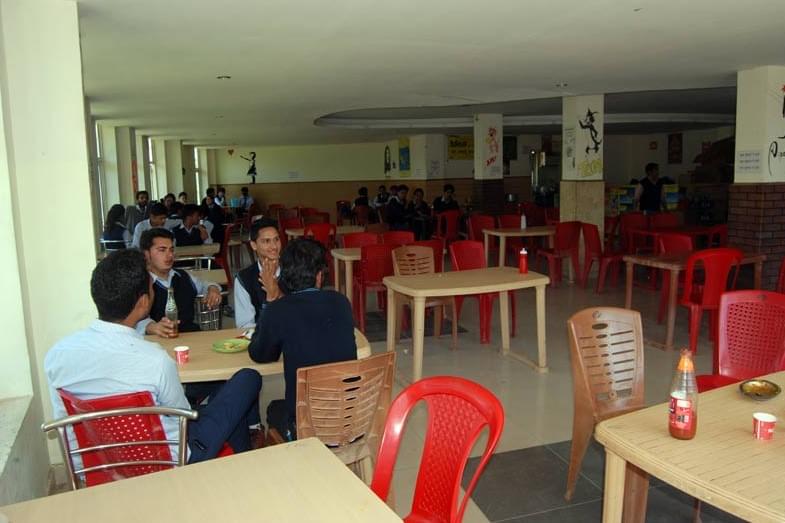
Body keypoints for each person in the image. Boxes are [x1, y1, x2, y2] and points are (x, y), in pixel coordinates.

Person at [44, 249, 263, 462]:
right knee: (246, 380)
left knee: (221, 409)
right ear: (142, 302)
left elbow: (64, 419)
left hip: (95, 462)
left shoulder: (57, 355)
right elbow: (182, 417)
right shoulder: (154, 359)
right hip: (165, 458)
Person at [249, 239, 356, 441]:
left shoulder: (279, 310)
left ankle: (299, 462)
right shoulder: (341, 302)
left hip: (306, 422)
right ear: (319, 275)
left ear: (285, 276)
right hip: (349, 414)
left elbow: (260, 354)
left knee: (274, 408)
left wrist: (271, 300)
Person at [137, 228, 222, 336]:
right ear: (146, 254)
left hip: (191, 337)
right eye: (162, 250)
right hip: (157, 342)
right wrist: (151, 326)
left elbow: (205, 284)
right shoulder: (140, 282)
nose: (170, 255)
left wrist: (212, 288)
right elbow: (131, 320)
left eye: (171, 250)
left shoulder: (183, 276)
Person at [234, 218, 282, 329]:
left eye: (277, 239)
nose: (274, 246)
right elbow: (245, 325)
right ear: (254, 245)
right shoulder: (244, 279)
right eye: (266, 241)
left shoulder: (293, 270)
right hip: (261, 338)